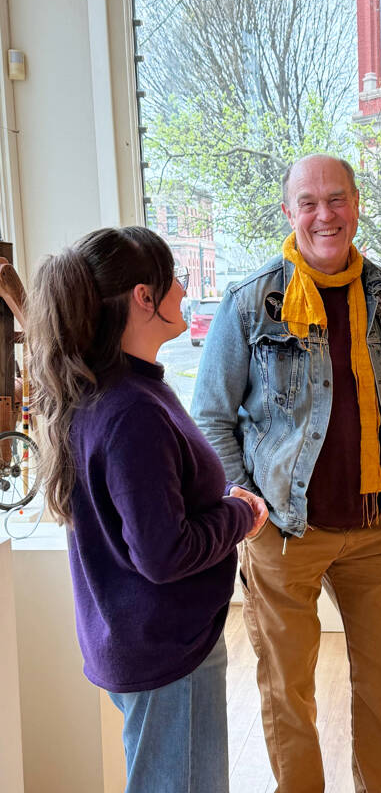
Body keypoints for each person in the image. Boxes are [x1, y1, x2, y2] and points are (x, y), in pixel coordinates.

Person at [191, 153, 381, 792]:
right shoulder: (249, 302)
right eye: (309, 203)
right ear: (289, 213)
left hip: (377, 528)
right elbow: (210, 415)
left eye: (336, 200)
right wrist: (249, 509)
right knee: (288, 694)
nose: (325, 215)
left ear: (355, 204)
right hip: (285, 531)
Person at [26, 226, 269, 793]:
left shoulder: (110, 390)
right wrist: (240, 514)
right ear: (143, 296)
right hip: (166, 653)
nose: (184, 290)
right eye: (174, 279)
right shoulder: (131, 409)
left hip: (146, 643)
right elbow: (163, 553)